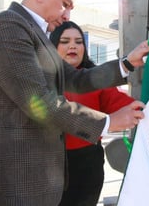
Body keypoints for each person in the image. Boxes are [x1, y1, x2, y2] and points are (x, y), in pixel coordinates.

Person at [0, 0, 149, 206]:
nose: (68, 15)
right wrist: (109, 122)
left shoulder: (40, 36)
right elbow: (41, 103)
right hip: (16, 182)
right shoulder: (7, 27)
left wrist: (126, 64)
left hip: (43, 182)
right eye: (65, 4)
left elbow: (77, 79)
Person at [50, 21, 134, 206]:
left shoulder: (95, 78)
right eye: (65, 41)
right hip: (49, 165)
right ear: (52, 46)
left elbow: (123, 103)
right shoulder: (41, 80)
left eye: (79, 42)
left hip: (88, 166)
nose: (73, 46)